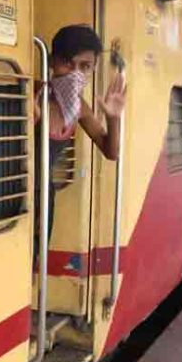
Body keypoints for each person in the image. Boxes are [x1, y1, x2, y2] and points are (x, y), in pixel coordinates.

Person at [34, 24, 127, 241]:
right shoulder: (36, 94)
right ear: (53, 61)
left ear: (92, 69)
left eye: (85, 66)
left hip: (45, 198)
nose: (76, 73)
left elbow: (110, 152)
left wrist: (113, 118)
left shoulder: (79, 107)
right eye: (68, 63)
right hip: (20, 194)